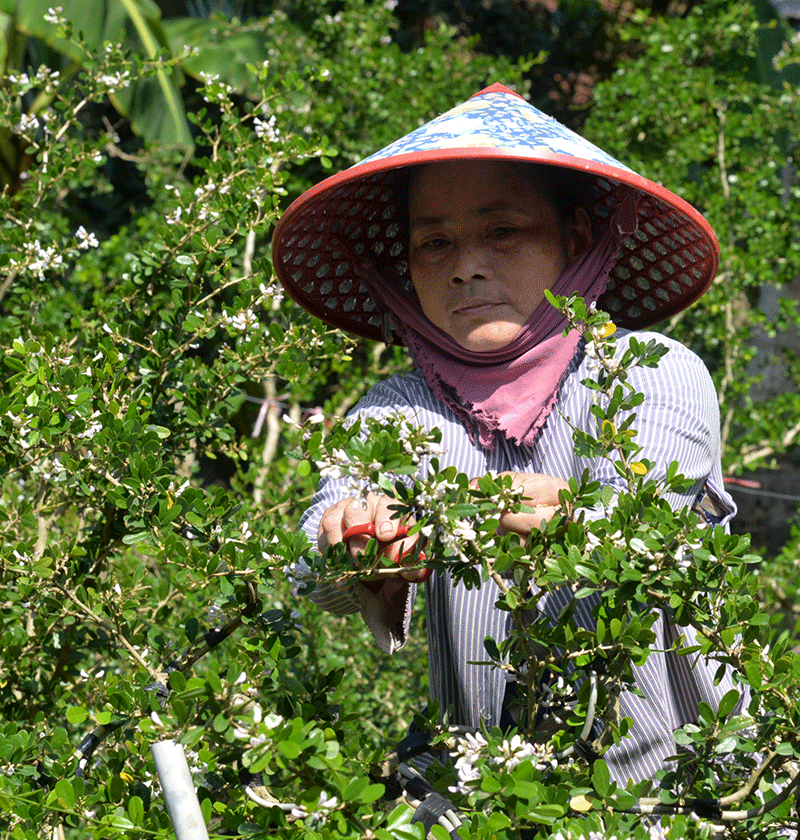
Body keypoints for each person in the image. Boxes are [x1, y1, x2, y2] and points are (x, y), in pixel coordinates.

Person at [273, 84, 738, 787]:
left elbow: (648, 519)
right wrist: (347, 538)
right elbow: (324, 535)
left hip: (680, 794)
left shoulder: (651, 375)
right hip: (480, 792)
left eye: (503, 232)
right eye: (434, 242)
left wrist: (580, 518)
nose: (465, 265)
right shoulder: (398, 412)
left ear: (576, 238)